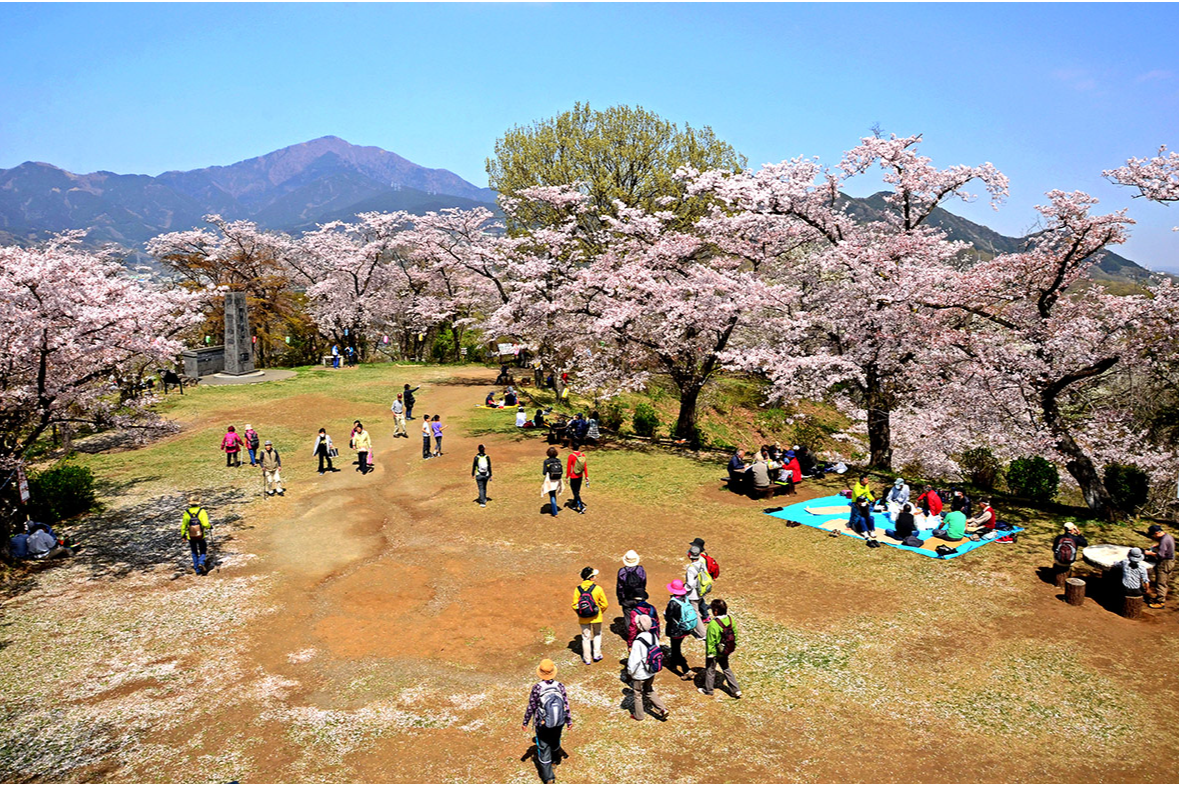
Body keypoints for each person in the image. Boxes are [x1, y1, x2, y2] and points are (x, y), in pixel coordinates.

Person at [522, 659, 571, 785]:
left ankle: (549, 778)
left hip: (542, 723)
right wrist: (568, 721)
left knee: (543, 747)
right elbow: (565, 704)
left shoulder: (538, 688)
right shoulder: (560, 686)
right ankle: (555, 759)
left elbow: (531, 706)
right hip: (559, 721)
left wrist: (525, 722)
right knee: (555, 740)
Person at [627, 614, 669, 721]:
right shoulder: (653, 637)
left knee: (638, 693)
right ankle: (663, 709)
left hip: (640, 674)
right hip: (651, 670)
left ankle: (639, 715)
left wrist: (630, 672)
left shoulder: (638, 642)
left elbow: (634, 660)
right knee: (649, 690)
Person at [699, 598, 742, 698]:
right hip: (726, 650)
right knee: (726, 668)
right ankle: (736, 690)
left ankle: (708, 690)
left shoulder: (713, 624)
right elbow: (735, 633)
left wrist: (710, 654)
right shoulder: (731, 619)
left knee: (710, 670)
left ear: (715, 611)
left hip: (715, 652)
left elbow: (710, 641)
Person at [572, 566, 608, 665]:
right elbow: (605, 604)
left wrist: (580, 613)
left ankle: (587, 658)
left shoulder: (578, 589)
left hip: (583, 618)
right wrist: (599, 611)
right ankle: (597, 654)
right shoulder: (598, 589)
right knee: (597, 634)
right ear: (591, 578)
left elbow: (574, 605)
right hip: (596, 617)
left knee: (585, 637)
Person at [664, 579, 699, 677]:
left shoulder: (673, 602)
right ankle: (673, 664)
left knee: (676, 650)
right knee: (676, 647)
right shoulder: (685, 598)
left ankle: (686, 670)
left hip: (676, 630)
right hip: (685, 628)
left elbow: (668, 617)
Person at [1145, 524, 1175, 608]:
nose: (1153, 536)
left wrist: (1150, 553)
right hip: (1170, 561)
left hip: (1164, 563)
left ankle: (1160, 602)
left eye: (1153, 534)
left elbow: (1160, 555)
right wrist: (1157, 545)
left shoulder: (1164, 540)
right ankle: (1160, 597)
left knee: (1161, 582)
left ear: (1157, 533)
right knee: (1165, 582)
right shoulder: (1168, 536)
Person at [181, 497, 211, 574]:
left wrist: (183, 535)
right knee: (203, 549)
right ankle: (201, 562)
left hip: (190, 536)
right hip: (200, 535)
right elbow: (205, 524)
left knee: (194, 551)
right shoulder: (202, 511)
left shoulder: (187, 512)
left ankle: (197, 569)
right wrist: (209, 526)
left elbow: (184, 525)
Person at [686, 545, 713, 626]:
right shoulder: (701, 563)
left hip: (694, 594)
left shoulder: (691, 568)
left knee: (695, 613)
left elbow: (690, 584)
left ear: (689, 555)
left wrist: (683, 590)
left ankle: (701, 632)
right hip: (702, 589)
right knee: (701, 603)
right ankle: (706, 616)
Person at [617, 550, 647, 616]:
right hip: (639, 596)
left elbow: (620, 587)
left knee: (628, 616)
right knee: (639, 615)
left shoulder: (622, 571)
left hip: (627, 598)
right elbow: (644, 582)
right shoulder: (640, 569)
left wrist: (621, 599)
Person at [566, 442, 588, 514]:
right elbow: (585, 467)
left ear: (572, 447)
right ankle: (573, 504)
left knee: (575, 492)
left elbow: (569, 467)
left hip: (573, 476)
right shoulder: (583, 455)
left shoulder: (571, 456)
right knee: (577, 491)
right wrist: (586, 476)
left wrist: (567, 477)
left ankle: (581, 507)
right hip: (580, 475)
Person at [542, 447, 563, 517]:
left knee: (552, 495)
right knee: (553, 494)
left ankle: (554, 512)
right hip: (557, 480)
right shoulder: (558, 460)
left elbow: (544, 473)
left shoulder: (546, 461)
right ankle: (554, 507)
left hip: (550, 480)